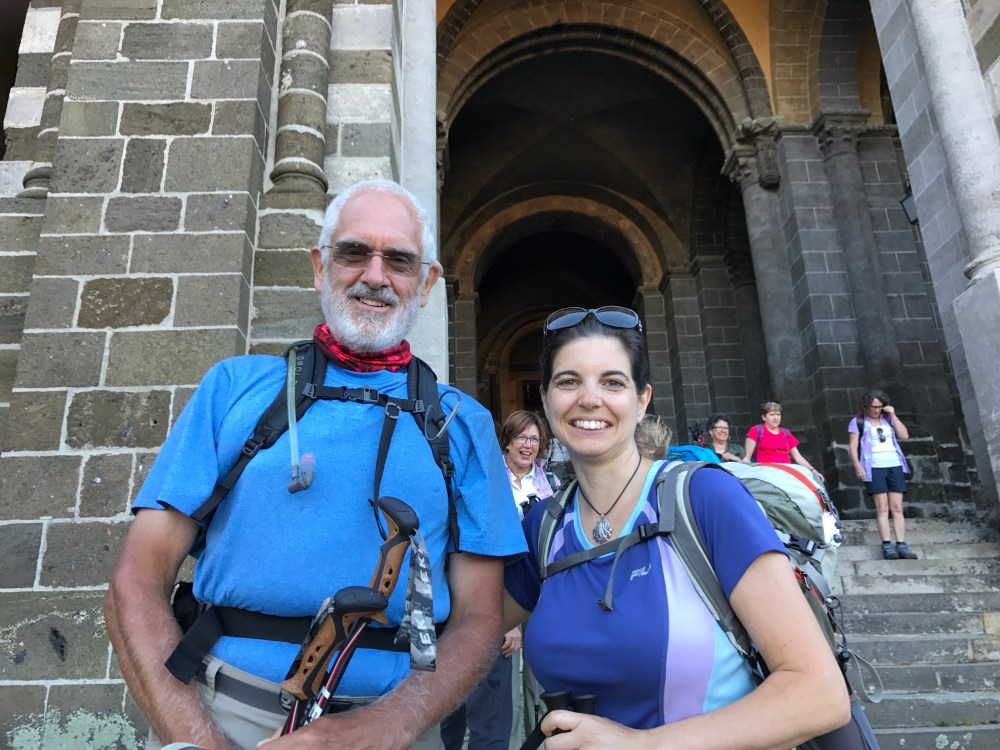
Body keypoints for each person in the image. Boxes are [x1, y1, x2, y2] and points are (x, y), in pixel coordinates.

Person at [104, 179, 527, 750]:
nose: (375, 276)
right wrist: (198, 739)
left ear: (426, 282)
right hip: (224, 714)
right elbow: (136, 579)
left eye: (399, 260)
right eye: (353, 252)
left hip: (395, 731)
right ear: (319, 266)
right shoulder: (233, 389)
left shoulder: (463, 424)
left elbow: (480, 617)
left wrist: (389, 726)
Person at [502, 306, 849, 748]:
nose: (589, 398)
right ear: (546, 399)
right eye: (568, 381)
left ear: (642, 400)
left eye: (613, 382)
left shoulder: (704, 497)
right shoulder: (544, 527)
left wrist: (640, 745)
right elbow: (467, 628)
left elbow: (820, 693)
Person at [441, 411, 558, 750]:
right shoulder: (489, 481)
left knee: (539, 679)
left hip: (541, 590)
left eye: (535, 439)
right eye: (521, 437)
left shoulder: (550, 483)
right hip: (500, 588)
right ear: (506, 441)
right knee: (496, 686)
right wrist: (506, 618)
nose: (528, 445)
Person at [848, 389, 917, 560]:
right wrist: (857, 465)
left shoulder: (888, 419)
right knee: (882, 507)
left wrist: (893, 415)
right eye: (873, 407)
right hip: (874, 466)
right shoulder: (858, 422)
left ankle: (901, 544)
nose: (876, 410)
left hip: (894, 464)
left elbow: (904, 435)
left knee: (897, 507)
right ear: (866, 406)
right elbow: (853, 446)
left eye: (880, 407)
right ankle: (887, 545)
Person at [743, 400, 824, 482]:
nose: (776, 418)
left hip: (787, 473)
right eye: (772, 414)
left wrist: (814, 471)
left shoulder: (786, 433)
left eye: (778, 414)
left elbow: (798, 457)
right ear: (764, 417)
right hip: (767, 474)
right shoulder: (756, 430)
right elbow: (747, 458)